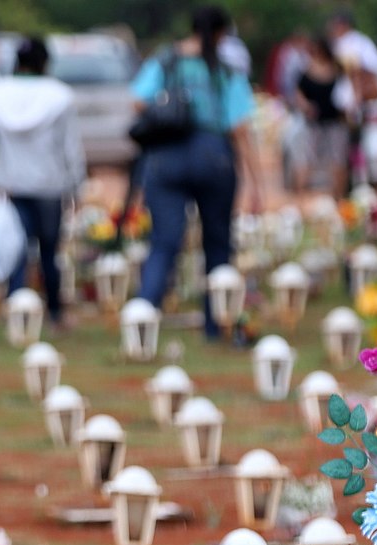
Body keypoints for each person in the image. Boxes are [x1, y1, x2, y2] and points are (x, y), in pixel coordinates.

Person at [130, 6, 261, 339]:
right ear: (221, 34)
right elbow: (240, 127)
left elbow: (138, 101)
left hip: (166, 157)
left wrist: (173, 109)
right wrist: (256, 183)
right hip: (213, 157)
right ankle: (217, 324)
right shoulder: (226, 70)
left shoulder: (166, 60)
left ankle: (143, 320)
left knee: (164, 242)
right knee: (217, 243)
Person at [0, 36, 82, 325]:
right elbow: (70, 146)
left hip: (10, 185)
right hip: (50, 184)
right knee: (49, 252)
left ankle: (17, 310)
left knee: (15, 249)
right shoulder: (60, 96)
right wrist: (76, 184)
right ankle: (55, 311)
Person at [327, 10, 377, 192]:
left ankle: (357, 186)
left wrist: (356, 98)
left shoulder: (351, 44)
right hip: (349, 103)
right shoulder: (357, 42)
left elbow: (361, 73)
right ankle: (355, 185)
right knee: (352, 147)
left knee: (353, 146)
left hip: (353, 104)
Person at [293, 38, 347, 193]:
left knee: (337, 161)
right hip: (314, 123)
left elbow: (347, 92)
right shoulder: (307, 72)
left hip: (335, 122)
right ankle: (301, 199)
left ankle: (338, 199)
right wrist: (306, 106)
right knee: (306, 160)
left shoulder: (338, 70)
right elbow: (299, 95)